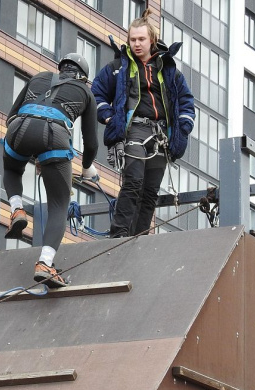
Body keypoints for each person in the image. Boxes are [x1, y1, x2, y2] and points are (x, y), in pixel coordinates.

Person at [91, 8, 195, 238]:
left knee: (150, 192)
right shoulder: (119, 68)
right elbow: (96, 92)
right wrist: (108, 116)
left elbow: (187, 102)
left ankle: (138, 239)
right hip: (135, 129)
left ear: (152, 40)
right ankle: (119, 234)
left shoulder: (169, 71)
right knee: (133, 181)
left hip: (161, 136)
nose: (137, 44)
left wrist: (184, 127)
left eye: (141, 39)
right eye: (133, 39)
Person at [2, 53, 99, 288]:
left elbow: (11, 115)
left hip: (18, 129)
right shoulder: (86, 93)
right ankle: (45, 264)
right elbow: (92, 143)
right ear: (83, 77)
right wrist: (86, 168)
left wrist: (32, 149)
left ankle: (16, 209)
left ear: (61, 68)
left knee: (12, 169)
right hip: (54, 136)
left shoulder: (40, 77)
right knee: (59, 203)